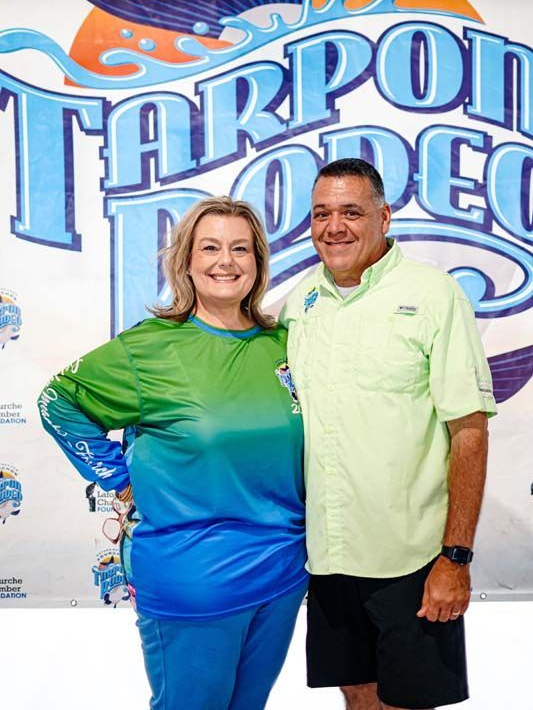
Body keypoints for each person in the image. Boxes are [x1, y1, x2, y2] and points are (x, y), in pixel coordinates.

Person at [38, 196, 307, 710]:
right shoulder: (150, 348)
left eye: (240, 249)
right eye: (210, 247)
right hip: (193, 575)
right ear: (186, 260)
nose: (225, 261)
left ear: (259, 262)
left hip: (282, 571)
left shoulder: (285, 344)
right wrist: (117, 478)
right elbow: (59, 401)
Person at [280, 158, 496, 710]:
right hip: (328, 557)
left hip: (413, 559)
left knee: (410, 701)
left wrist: (455, 558)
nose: (334, 226)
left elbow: (468, 431)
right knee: (357, 695)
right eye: (321, 213)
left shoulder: (432, 295)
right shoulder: (301, 303)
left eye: (351, 211)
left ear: (385, 216)